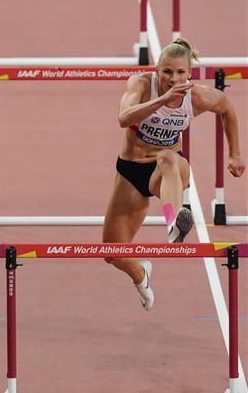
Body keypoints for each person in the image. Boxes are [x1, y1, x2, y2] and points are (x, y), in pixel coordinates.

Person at [103, 38, 243, 310]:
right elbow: (123, 118)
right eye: (167, 71)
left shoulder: (198, 97)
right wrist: (163, 101)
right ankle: (140, 274)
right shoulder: (141, 85)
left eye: (180, 72)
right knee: (111, 251)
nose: (173, 78)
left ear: (189, 73)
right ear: (157, 70)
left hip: (170, 170)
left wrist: (235, 153)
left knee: (167, 157)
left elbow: (226, 108)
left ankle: (175, 220)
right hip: (131, 170)